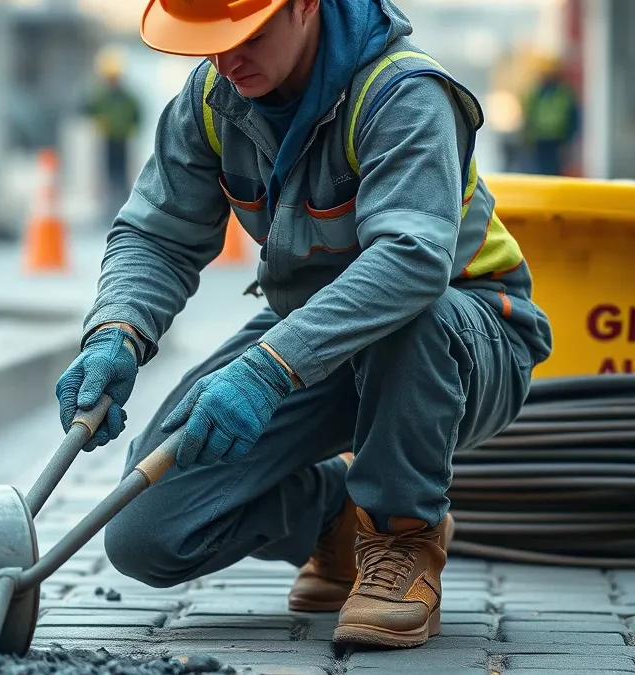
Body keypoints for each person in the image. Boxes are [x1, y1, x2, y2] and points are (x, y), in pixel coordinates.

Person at [55, 0, 553, 650]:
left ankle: (402, 535)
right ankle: (335, 513)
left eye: (247, 35)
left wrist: (267, 366)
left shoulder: (403, 93)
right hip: (311, 341)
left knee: (408, 314)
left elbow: (411, 262)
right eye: (209, 39)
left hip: (462, 334)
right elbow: (157, 235)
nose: (226, 57)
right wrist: (116, 329)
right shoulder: (214, 98)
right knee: (145, 531)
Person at [82, 50, 143, 226]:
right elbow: (87, 110)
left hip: (123, 140)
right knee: (106, 176)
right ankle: (107, 210)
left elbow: (137, 115)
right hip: (106, 140)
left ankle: (124, 208)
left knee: (123, 176)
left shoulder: (127, 98)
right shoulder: (101, 97)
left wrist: (132, 130)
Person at [522, 58, 580, 176]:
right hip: (540, 139)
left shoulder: (564, 92)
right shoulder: (537, 93)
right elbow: (529, 114)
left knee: (554, 171)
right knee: (540, 171)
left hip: (557, 141)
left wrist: (569, 138)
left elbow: (573, 116)